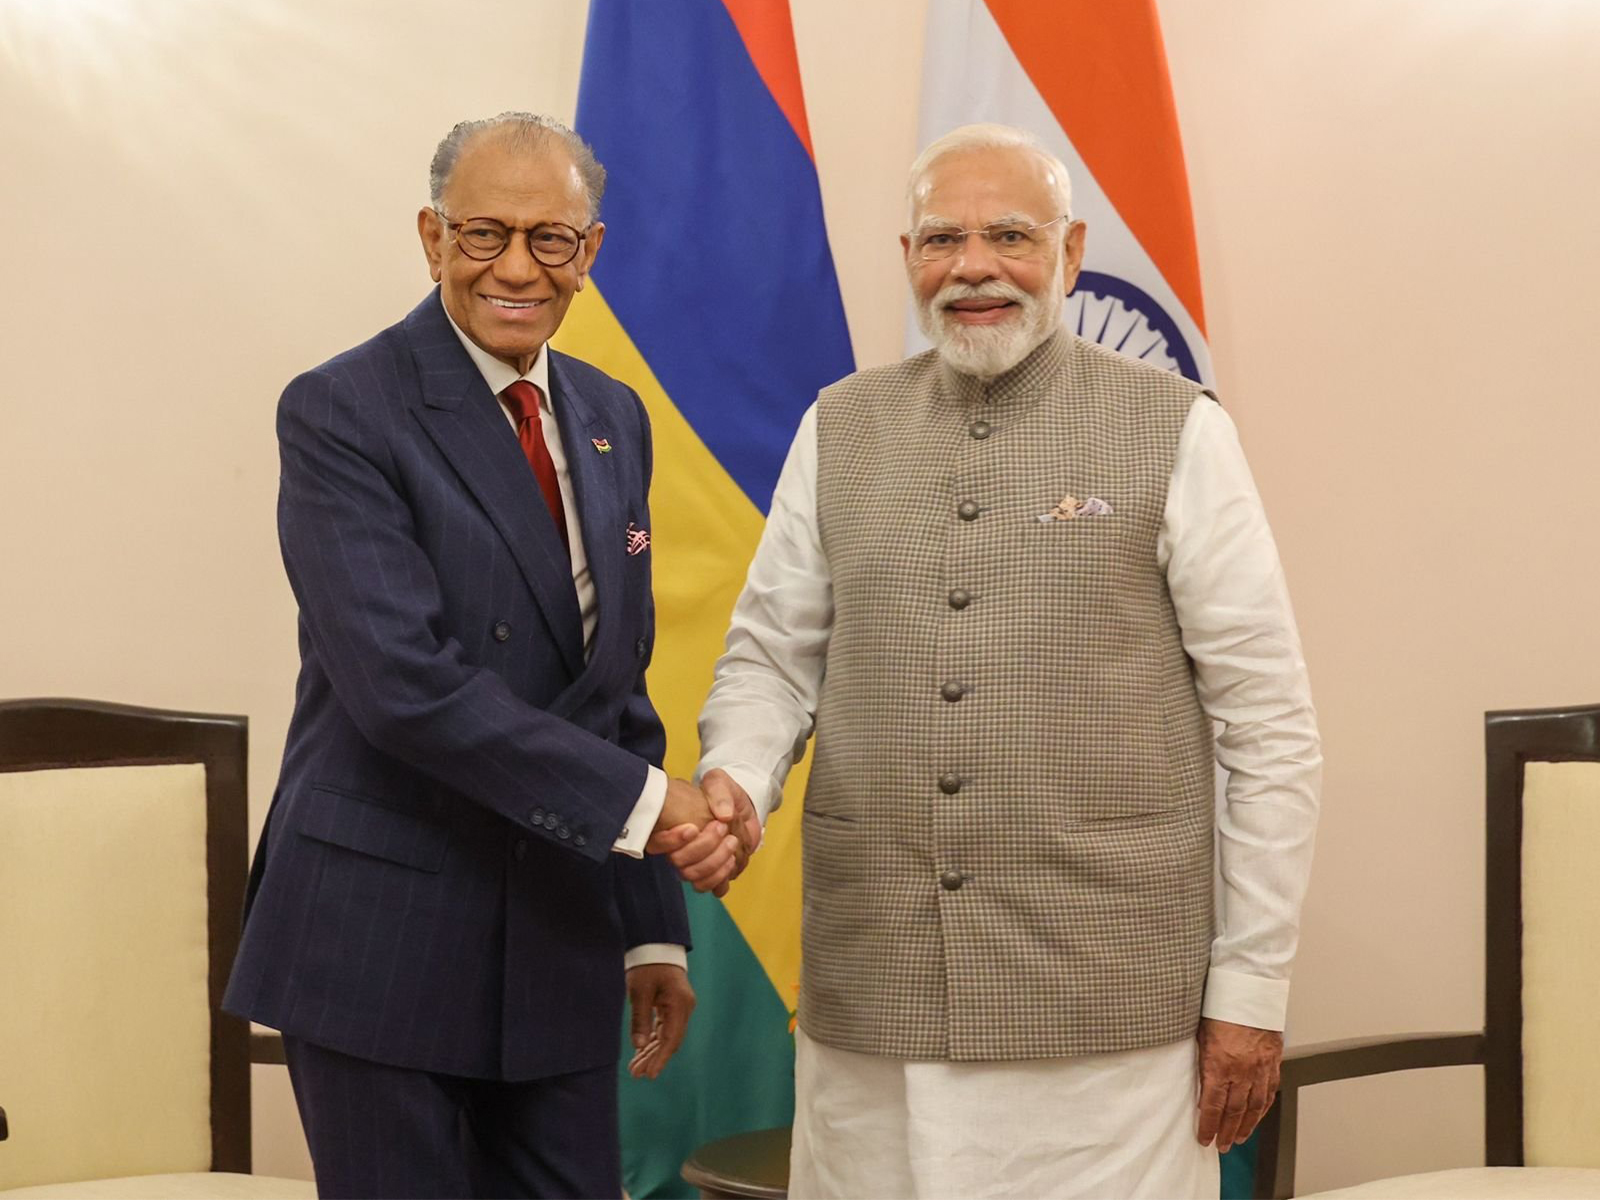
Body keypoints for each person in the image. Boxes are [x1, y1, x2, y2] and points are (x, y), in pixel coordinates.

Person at [696, 123, 1322, 1199]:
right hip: (871, 1002)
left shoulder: (1176, 429)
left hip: (1106, 1024)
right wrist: (740, 783)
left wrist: (1250, 988)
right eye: (943, 238)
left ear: (1070, 255)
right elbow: (769, 660)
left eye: (1009, 236)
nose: (973, 265)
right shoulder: (838, 426)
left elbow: (1268, 730)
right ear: (907, 259)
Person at [224, 113, 757, 1200]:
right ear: (430, 238)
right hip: (381, 942)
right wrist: (654, 809)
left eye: (549, 239)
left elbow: (616, 681)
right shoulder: (340, 411)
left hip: (556, 944)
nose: (517, 266)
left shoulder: (614, 416)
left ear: (589, 252)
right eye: (483, 234)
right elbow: (401, 690)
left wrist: (651, 933)